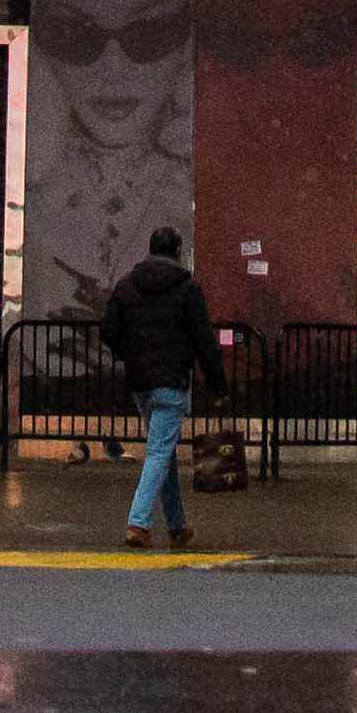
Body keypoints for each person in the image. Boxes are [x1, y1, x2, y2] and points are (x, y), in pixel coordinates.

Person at [106, 224, 214, 549]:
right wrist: (218, 384)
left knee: (162, 452)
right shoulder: (187, 288)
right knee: (158, 452)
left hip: (141, 383)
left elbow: (108, 329)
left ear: (150, 249)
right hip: (172, 382)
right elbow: (203, 339)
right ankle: (138, 523)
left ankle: (178, 526)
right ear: (177, 251)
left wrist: (129, 354)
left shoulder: (127, 286)